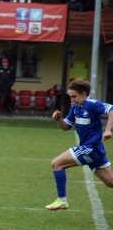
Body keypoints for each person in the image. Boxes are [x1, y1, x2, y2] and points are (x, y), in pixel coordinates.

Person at [46, 78, 113, 211]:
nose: (72, 100)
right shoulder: (75, 107)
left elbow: (111, 109)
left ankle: (61, 200)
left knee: (56, 164)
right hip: (94, 150)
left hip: (91, 148)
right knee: (111, 182)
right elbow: (66, 127)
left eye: (74, 96)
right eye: (70, 97)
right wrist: (58, 119)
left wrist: (107, 129)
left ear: (83, 94)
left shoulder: (91, 104)